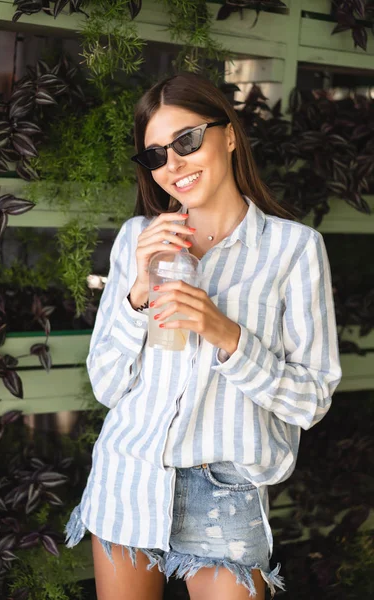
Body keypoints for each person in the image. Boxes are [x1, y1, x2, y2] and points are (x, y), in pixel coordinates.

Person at [65, 72, 342, 600]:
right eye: (155, 155)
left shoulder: (294, 250)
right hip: (129, 473)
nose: (174, 165)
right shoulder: (136, 239)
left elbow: (311, 400)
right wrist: (138, 291)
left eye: (187, 141)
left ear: (229, 134)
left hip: (228, 491)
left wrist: (227, 335)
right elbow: (105, 384)